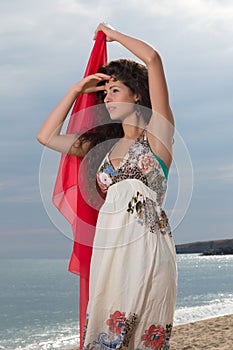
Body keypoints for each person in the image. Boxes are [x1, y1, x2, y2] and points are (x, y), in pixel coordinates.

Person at [37, 23, 177, 350]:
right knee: (105, 337)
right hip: (109, 250)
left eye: (114, 89)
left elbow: (153, 59)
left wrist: (112, 35)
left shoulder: (158, 136)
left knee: (143, 337)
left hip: (147, 250)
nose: (106, 96)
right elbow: (46, 137)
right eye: (104, 92)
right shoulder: (101, 146)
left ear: (137, 94)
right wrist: (75, 90)